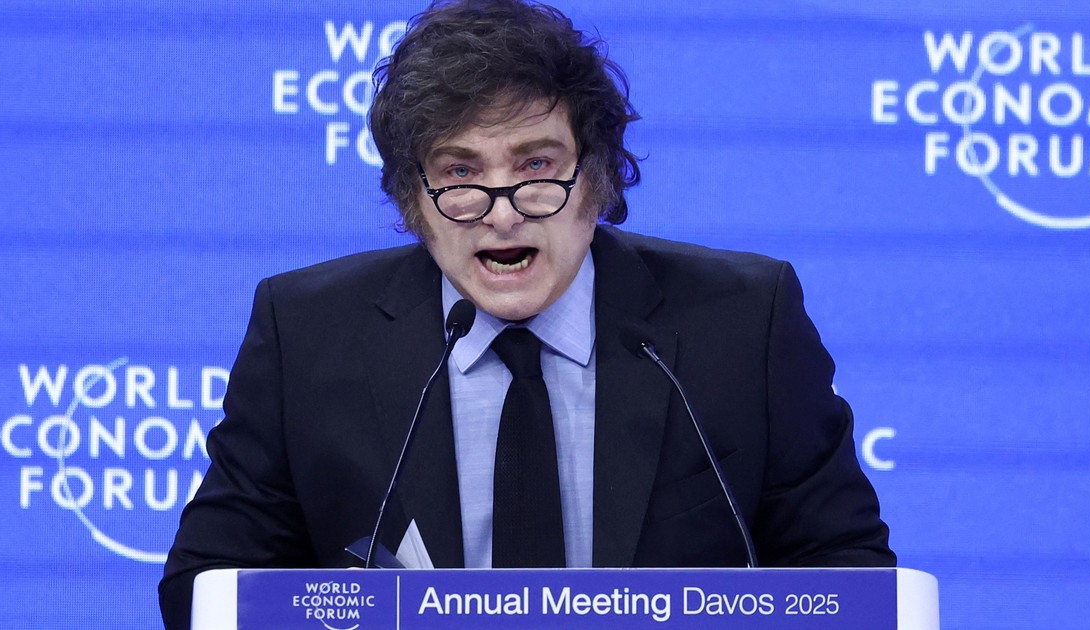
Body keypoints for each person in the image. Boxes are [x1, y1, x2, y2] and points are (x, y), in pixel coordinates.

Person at [160, 0, 894, 627]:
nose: (502, 212)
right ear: (414, 199)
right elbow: (209, 586)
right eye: (460, 173)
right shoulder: (307, 332)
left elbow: (847, 574)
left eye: (537, 166)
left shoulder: (741, 323)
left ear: (598, 177)